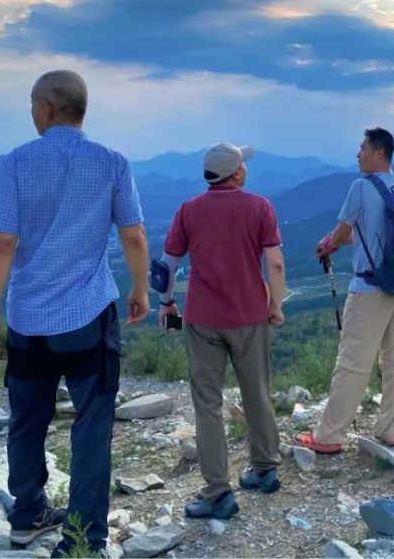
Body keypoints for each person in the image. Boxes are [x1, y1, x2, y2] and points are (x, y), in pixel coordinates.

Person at [0, 70, 149, 556]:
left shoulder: (17, 163)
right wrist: (139, 288)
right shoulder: (111, 162)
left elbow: (2, 240)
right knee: (92, 423)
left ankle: (27, 513)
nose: (31, 112)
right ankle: (83, 537)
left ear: (47, 107)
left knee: (28, 418)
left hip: (29, 318)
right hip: (89, 315)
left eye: (32, 103)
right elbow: (132, 234)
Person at [156, 142, 286, 520]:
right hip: (250, 316)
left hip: (202, 319)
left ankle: (218, 494)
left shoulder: (189, 211)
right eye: (243, 164)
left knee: (208, 405)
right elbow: (274, 264)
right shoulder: (259, 206)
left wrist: (167, 304)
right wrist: (275, 305)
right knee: (256, 392)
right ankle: (265, 469)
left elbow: (167, 266)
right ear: (237, 173)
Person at [296, 127, 394, 453]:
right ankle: (391, 428)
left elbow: (342, 233)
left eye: (362, 148)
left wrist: (327, 245)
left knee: (352, 362)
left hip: (369, 287)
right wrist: (341, 241)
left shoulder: (361, 187)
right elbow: (366, 235)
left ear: (378, 153)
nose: (357, 154)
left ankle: (329, 436)